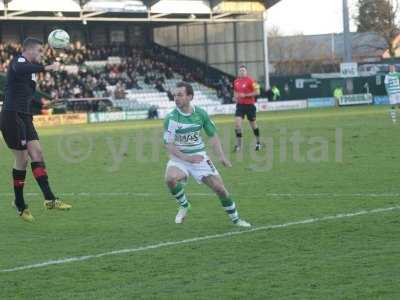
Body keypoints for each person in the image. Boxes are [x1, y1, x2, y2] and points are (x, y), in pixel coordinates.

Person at [0, 37, 71, 222]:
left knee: (37, 153)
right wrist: (46, 68)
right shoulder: (19, 61)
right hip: (11, 115)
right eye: (39, 51)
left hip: (25, 116)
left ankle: (49, 199)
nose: (41, 55)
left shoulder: (31, 73)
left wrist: (44, 103)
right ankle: (20, 203)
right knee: (22, 160)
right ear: (29, 50)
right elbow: (19, 68)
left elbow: (28, 97)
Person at [163, 82, 251, 227]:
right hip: (180, 158)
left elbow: (213, 135)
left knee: (220, 189)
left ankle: (236, 220)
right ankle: (184, 204)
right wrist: (186, 158)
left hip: (199, 158)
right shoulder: (171, 118)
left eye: (180, 95)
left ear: (190, 96)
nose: (176, 98)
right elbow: (168, 144)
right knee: (170, 178)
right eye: (174, 95)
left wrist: (221, 156)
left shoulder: (201, 114)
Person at [233, 65, 261, 152]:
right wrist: (234, 97)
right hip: (240, 106)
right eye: (240, 70)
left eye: (243, 70)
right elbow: (235, 91)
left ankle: (258, 143)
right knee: (237, 125)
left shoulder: (251, 81)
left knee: (253, 125)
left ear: (246, 72)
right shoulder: (236, 81)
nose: (242, 72)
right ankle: (239, 146)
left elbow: (257, 92)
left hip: (250, 106)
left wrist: (245, 95)